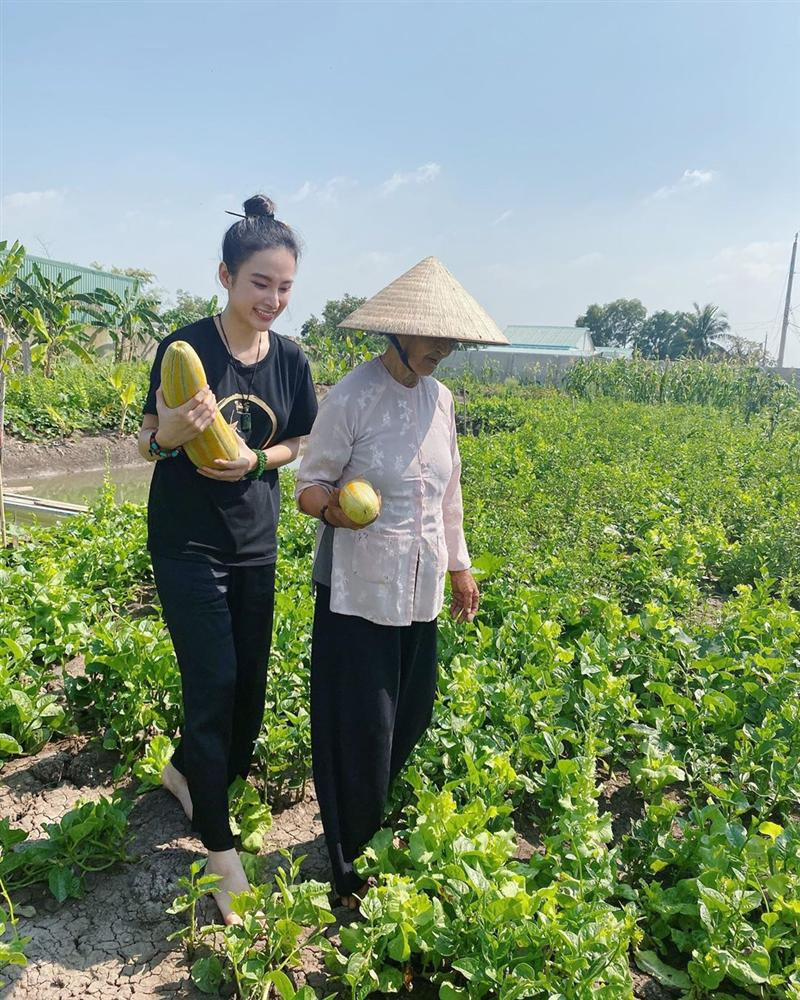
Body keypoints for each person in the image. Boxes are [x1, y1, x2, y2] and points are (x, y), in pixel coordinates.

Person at [295, 256, 507, 908]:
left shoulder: (441, 401)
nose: (444, 350)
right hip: (358, 591)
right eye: (434, 339)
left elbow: (449, 496)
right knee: (361, 728)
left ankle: (356, 824)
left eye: (451, 340)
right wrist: (332, 508)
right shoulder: (351, 397)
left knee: (407, 718)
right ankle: (350, 870)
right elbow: (307, 485)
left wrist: (461, 565)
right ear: (398, 333)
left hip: (417, 591)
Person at [137, 194, 318, 924]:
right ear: (226, 276)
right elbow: (147, 441)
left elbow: (296, 444)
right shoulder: (185, 348)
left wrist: (254, 459)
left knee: (245, 697)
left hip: (254, 544)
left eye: (284, 288)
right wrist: (175, 431)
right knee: (211, 685)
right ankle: (220, 855)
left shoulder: (293, 361)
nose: (271, 299)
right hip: (186, 540)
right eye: (259, 284)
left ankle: (187, 772)